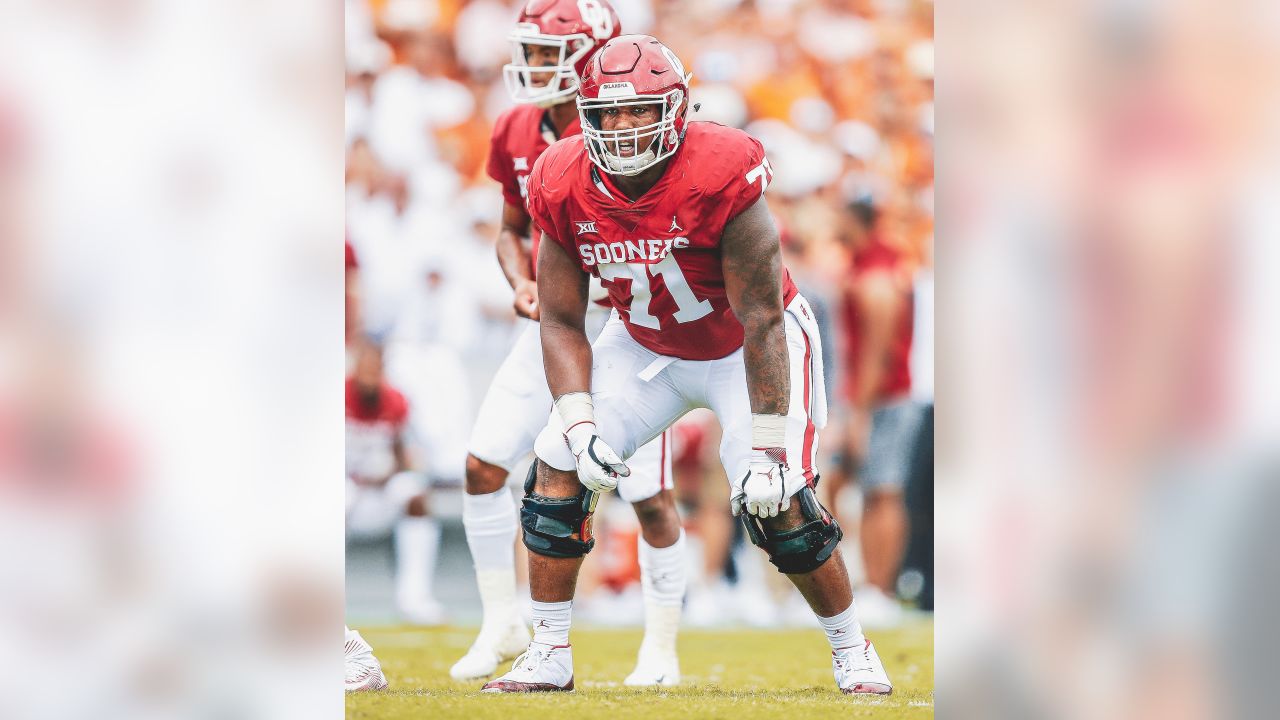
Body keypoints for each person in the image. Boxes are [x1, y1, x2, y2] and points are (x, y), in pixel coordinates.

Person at [482, 35, 892, 696]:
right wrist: (580, 420)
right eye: (606, 114)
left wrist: (764, 447)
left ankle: (852, 649)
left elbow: (760, 316)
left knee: (777, 500)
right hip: (645, 343)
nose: (620, 128)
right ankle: (550, 651)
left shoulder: (720, 166)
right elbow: (560, 318)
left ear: (675, 109)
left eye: (637, 111)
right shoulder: (560, 177)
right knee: (557, 463)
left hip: (745, 345)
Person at [453, 0, 686, 687]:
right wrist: (519, 281)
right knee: (481, 466)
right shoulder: (517, 127)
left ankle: (661, 648)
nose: (531, 67)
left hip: (629, 326)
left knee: (646, 493)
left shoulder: (637, 127)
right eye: (528, 51)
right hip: (557, 318)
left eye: (546, 52)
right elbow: (509, 229)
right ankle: (503, 621)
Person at [345, 340, 444, 625]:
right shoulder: (339, 396)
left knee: (414, 494)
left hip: (379, 489)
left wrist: (390, 470)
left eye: (375, 369)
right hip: (346, 486)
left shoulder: (395, 401)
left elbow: (403, 457)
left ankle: (415, 597)